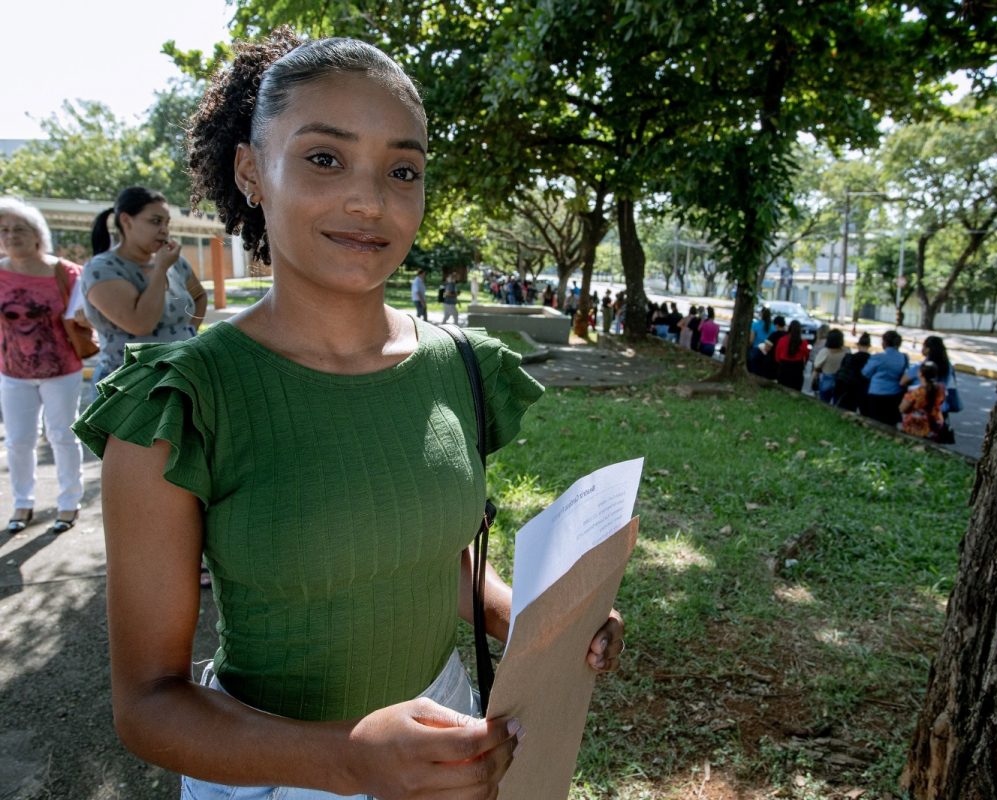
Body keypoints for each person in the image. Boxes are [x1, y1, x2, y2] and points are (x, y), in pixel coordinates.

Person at [73, 31, 624, 800]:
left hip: (450, 742)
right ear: (250, 171)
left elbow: (440, 556)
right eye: (324, 158)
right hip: (272, 775)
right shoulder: (182, 401)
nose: (370, 200)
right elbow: (148, 706)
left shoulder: (460, 365)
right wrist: (351, 758)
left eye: (403, 170)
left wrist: (541, 623)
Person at [0, 198, 86, 533]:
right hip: (13, 372)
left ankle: (69, 503)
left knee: (63, 436)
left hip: (62, 370)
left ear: (38, 234)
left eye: (18, 229)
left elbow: (83, 316)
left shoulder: (65, 273)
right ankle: (22, 503)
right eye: (4, 230)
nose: (10, 235)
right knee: (18, 440)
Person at [82, 187, 208, 395]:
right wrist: (160, 270)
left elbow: (199, 296)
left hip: (177, 377)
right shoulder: (101, 269)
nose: (165, 230)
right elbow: (141, 323)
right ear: (126, 221)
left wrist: (188, 334)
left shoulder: (176, 263)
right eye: (155, 221)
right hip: (126, 386)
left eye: (167, 223)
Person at [862, 329, 909, 425]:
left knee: (875, 420)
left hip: (877, 392)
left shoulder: (878, 357)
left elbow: (865, 373)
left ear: (885, 342)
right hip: (895, 393)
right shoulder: (904, 357)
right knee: (890, 421)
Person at [900, 360, 946, 439]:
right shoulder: (941, 389)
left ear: (920, 373)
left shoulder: (916, 392)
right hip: (935, 424)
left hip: (916, 425)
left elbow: (902, 408)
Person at [834, 332, 872, 412]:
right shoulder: (872, 360)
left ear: (858, 345)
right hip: (865, 389)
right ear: (869, 346)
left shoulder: (849, 357)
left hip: (849, 388)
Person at [810, 329, 848, 404]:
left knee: (824, 402)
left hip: (826, 378)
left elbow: (817, 367)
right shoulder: (846, 352)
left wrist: (812, 381)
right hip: (840, 379)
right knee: (837, 402)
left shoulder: (825, 352)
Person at [773, 319, 810, 391]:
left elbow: (777, 356)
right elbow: (806, 356)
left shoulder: (782, 340)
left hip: (784, 369)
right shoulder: (804, 342)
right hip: (797, 370)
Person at [747, 306, 773, 376]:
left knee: (754, 371)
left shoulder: (755, 325)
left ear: (761, 314)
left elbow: (751, 340)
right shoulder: (773, 327)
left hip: (756, 350)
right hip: (768, 352)